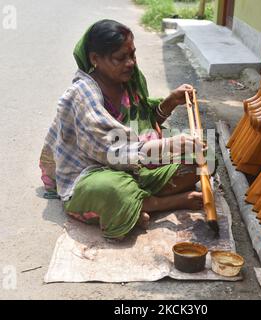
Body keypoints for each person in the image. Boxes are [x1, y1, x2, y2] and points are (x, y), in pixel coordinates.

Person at [39, 19, 206, 240]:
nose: (130, 63)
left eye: (132, 55)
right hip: (92, 174)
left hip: (134, 167)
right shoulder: (82, 94)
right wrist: (170, 145)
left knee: (203, 160)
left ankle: (135, 204)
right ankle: (158, 202)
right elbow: (111, 151)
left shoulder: (128, 83)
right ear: (95, 59)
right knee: (113, 190)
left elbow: (145, 125)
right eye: (121, 58)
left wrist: (171, 101)